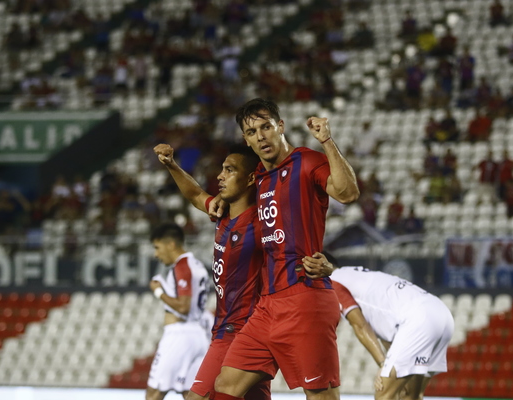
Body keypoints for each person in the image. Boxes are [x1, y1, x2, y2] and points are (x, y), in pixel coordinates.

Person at [211, 98, 360, 400]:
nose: (261, 136)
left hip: (304, 298)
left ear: (280, 127)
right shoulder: (260, 179)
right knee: (227, 385)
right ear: (246, 140)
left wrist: (327, 142)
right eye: (252, 132)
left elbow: (347, 193)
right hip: (268, 306)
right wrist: (223, 199)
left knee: (320, 396)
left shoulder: (306, 160)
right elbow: (237, 197)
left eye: (266, 127)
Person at [153, 143, 271, 400]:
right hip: (226, 328)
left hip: (240, 331)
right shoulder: (222, 213)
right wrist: (172, 165)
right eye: (222, 169)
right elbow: (195, 195)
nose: (220, 176)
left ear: (251, 178)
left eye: (229, 170)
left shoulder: (261, 224)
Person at [302, 252, 454, 400]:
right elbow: (387, 330)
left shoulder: (333, 281)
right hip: (441, 314)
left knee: (384, 394)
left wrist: (382, 364)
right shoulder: (359, 275)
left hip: (418, 319)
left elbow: (360, 326)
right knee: (411, 395)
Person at [147, 223, 210, 400]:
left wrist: (158, 291)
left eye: (157, 247)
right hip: (198, 335)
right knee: (192, 395)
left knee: (154, 393)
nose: (156, 254)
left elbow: (183, 306)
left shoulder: (182, 266)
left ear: (171, 244)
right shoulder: (197, 265)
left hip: (180, 335)